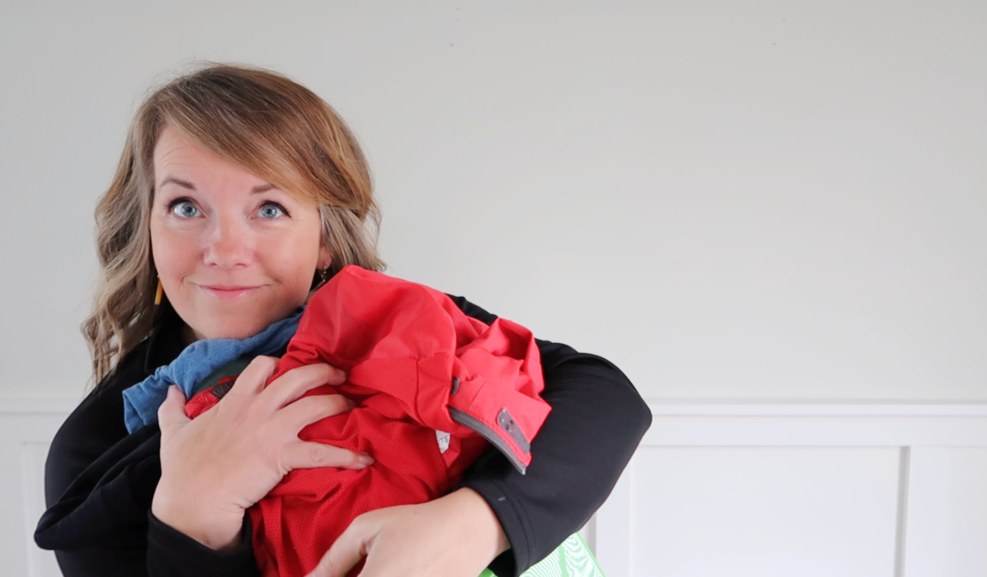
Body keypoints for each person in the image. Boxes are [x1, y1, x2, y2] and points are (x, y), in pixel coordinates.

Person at [37, 64, 651, 577]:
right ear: (146, 230)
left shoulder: (395, 322)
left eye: (269, 208)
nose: (224, 250)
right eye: (184, 206)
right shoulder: (94, 459)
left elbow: (604, 395)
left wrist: (473, 523)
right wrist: (191, 517)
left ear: (325, 240)